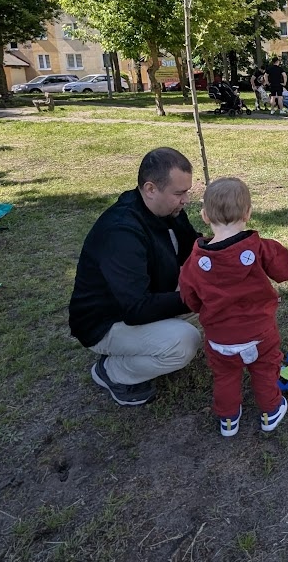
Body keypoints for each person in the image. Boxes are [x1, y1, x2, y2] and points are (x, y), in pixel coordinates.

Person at [68, 147, 203, 407]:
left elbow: (193, 248)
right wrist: (197, 296)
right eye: (179, 193)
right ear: (150, 189)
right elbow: (136, 308)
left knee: (218, 287)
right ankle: (112, 372)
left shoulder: (168, 210)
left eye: (186, 191)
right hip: (107, 323)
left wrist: (229, 251)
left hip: (145, 300)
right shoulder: (121, 232)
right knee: (185, 341)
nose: (186, 199)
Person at [179, 178, 288, 436]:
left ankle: (228, 420)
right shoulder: (261, 248)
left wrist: (203, 310)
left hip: (219, 340)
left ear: (204, 215)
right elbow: (284, 271)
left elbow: (189, 298)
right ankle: (270, 411)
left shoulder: (194, 261)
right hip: (261, 335)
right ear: (248, 213)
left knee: (225, 375)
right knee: (266, 369)